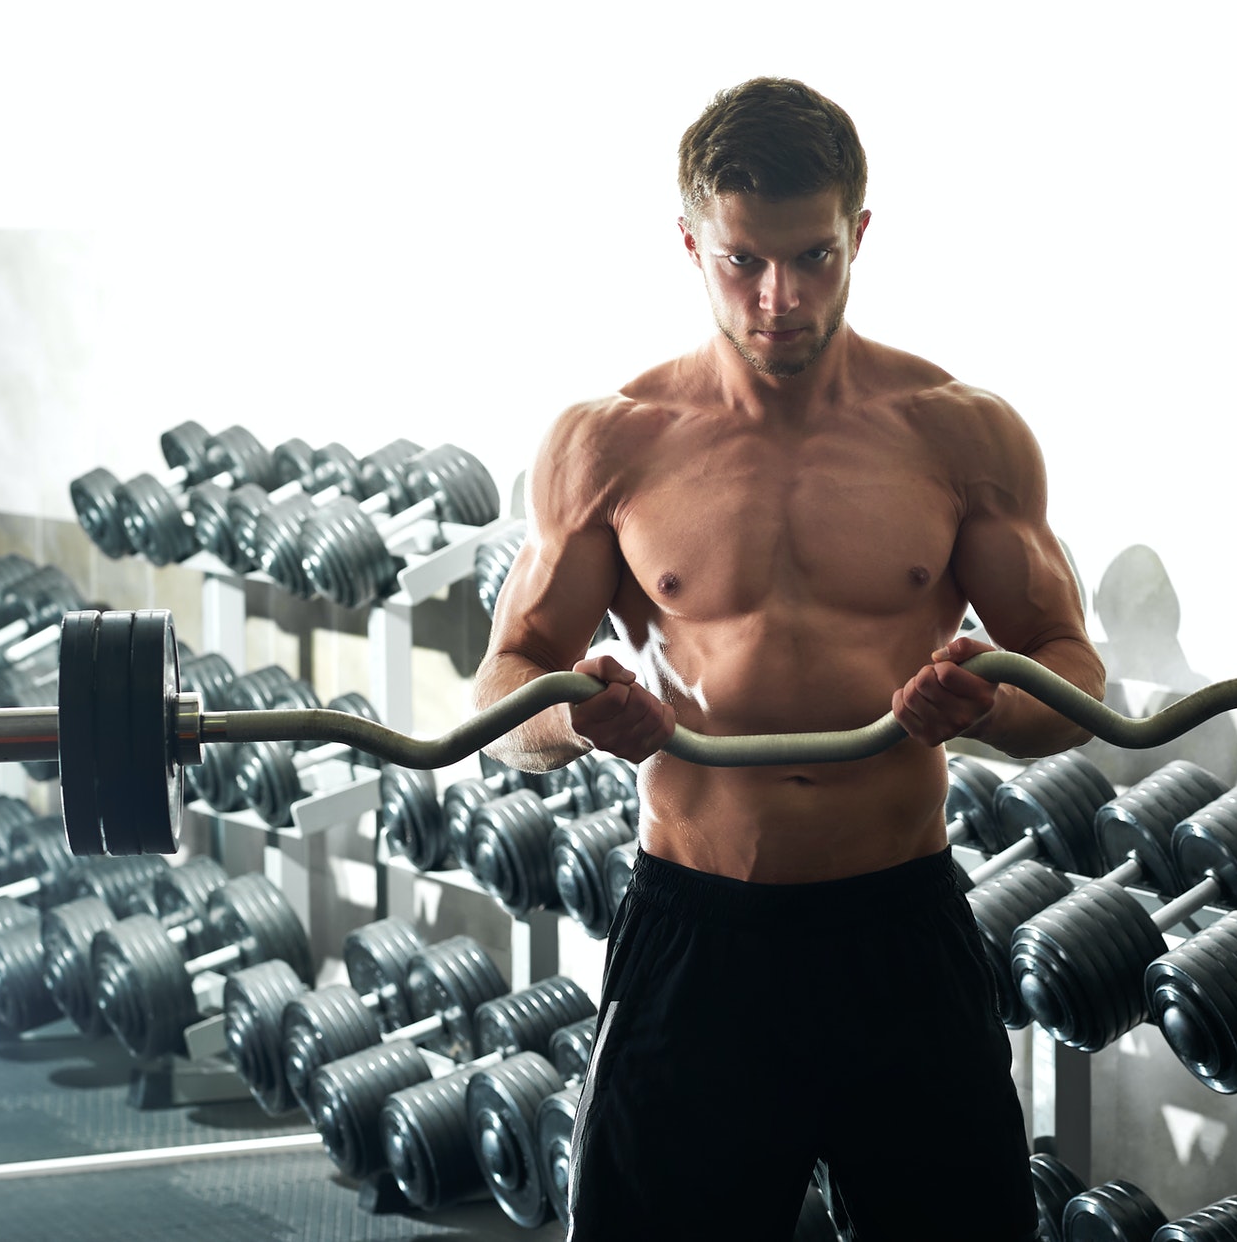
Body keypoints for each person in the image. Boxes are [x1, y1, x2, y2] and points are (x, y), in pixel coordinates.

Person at [473, 76, 1105, 1241]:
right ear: (689, 243)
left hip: (898, 933)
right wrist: (577, 719)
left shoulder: (957, 432)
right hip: (696, 936)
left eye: (814, 257)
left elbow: (1072, 678)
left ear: (860, 233)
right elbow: (505, 692)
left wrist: (987, 707)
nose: (780, 298)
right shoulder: (609, 443)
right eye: (743, 262)